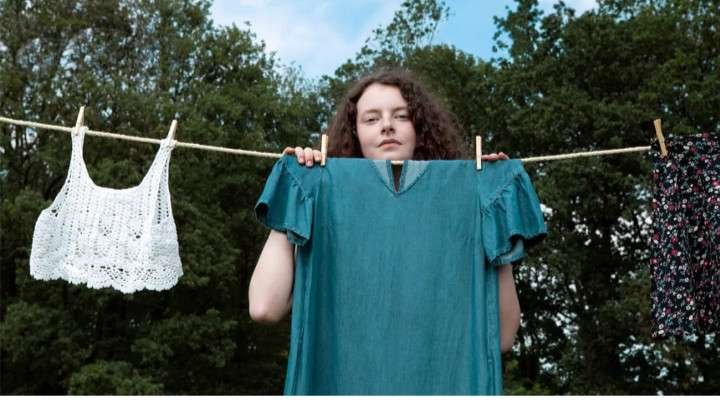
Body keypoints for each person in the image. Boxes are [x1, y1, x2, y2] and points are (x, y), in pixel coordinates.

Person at [249, 69, 519, 354]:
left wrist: (494, 213)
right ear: (355, 132)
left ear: (420, 127)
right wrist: (295, 192)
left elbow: (501, 338)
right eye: (371, 118)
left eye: (402, 116)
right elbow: (264, 307)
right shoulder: (324, 206)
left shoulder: (462, 208)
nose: (387, 126)